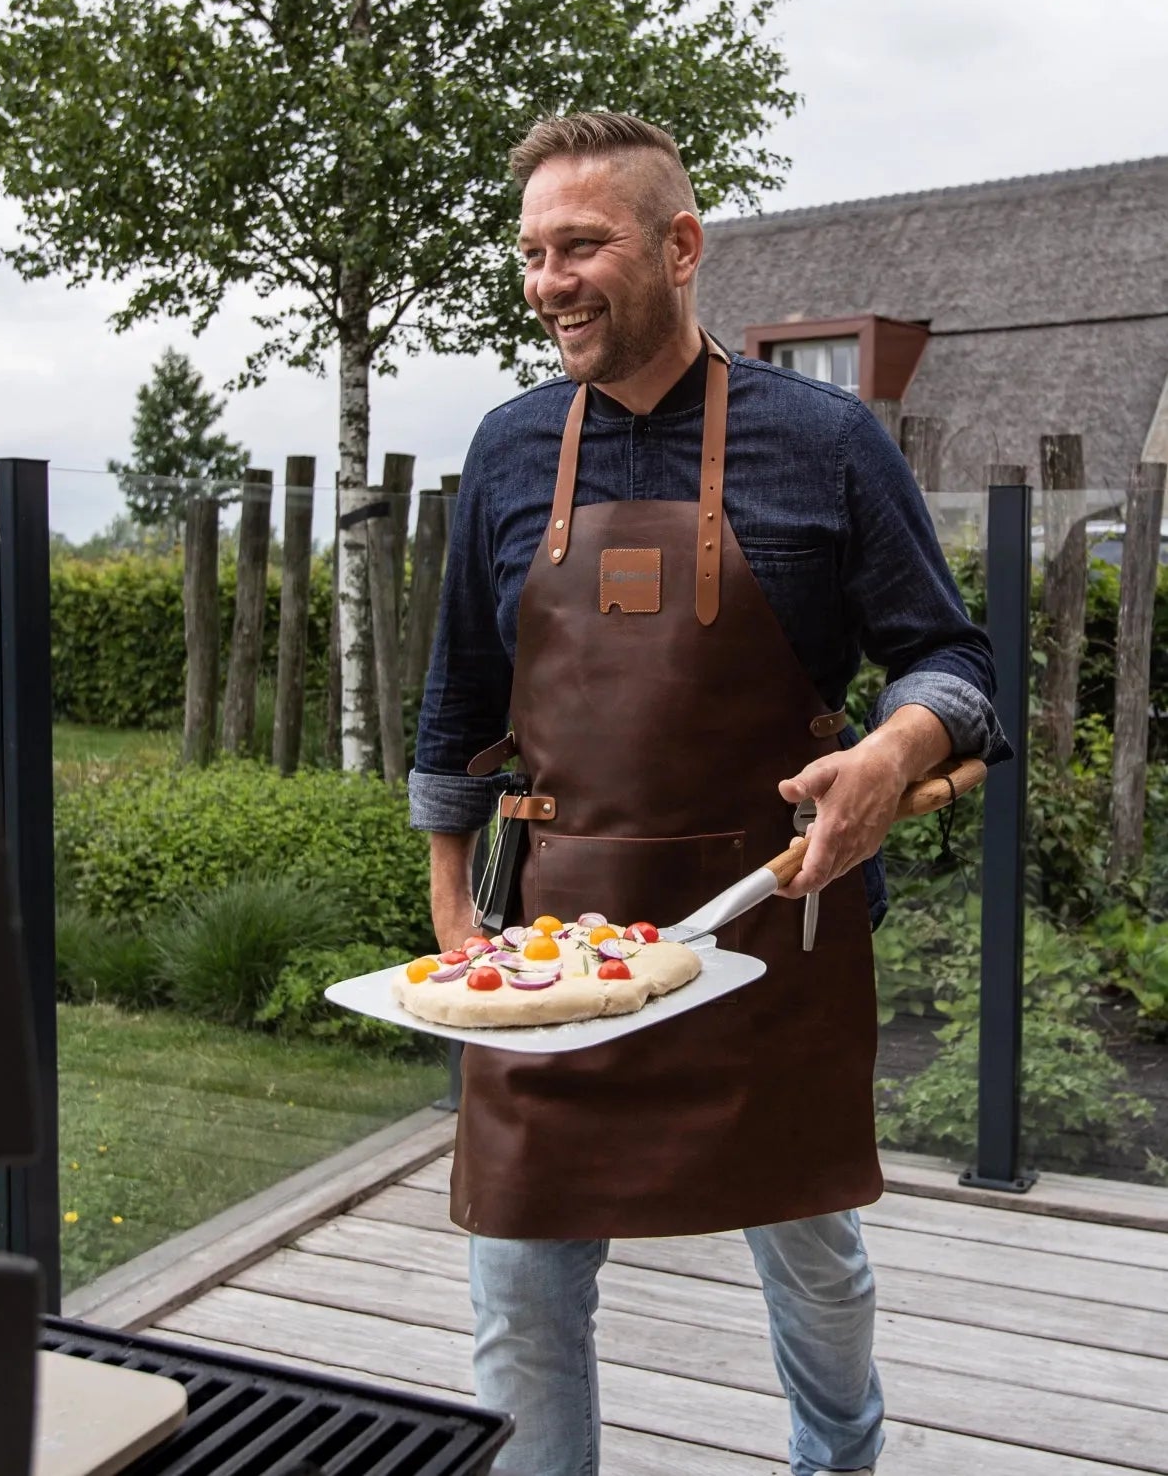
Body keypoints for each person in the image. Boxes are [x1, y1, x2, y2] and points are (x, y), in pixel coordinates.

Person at [408, 112, 1009, 1476]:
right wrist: (455, 917)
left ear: (681, 248)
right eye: (532, 251)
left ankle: (839, 1460)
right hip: (553, 948)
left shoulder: (829, 443)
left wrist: (891, 753)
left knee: (816, 1266)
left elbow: (954, 665)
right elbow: (455, 706)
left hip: (766, 934)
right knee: (519, 1290)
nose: (547, 279)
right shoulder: (506, 452)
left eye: (582, 246)